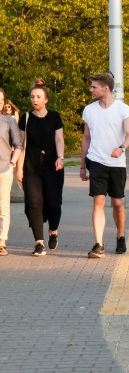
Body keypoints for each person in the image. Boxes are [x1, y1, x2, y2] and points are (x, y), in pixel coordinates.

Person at [80, 73, 129, 258]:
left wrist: (121, 148)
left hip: (117, 163)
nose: (91, 89)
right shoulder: (89, 110)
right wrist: (82, 165)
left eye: (94, 86)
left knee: (117, 203)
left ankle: (120, 236)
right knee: (98, 202)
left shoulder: (123, 109)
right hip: (96, 161)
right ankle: (98, 244)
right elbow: (86, 138)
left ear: (106, 88)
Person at [16, 80, 65, 257]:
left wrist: (60, 157)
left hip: (53, 166)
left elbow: (59, 139)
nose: (34, 100)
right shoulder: (26, 118)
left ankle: (53, 231)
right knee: (35, 203)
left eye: (38, 97)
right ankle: (39, 243)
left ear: (46, 99)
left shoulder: (55, 116)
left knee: (53, 203)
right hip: (32, 166)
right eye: (32, 97)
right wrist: (19, 169)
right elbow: (21, 144)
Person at [0, 88, 23, 256]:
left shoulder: (8, 120)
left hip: (4, 169)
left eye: (1, 99)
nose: (0, 102)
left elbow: (19, 144)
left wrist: (12, 162)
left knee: (3, 207)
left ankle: (1, 242)